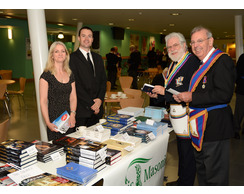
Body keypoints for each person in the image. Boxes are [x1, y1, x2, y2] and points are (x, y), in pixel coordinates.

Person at [174, 26, 236, 186]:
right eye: (193, 42)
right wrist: (184, 95)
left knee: (215, 177)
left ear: (211, 41)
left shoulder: (222, 61)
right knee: (203, 174)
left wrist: (192, 96)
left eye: (200, 41)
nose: (196, 45)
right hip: (199, 128)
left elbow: (224, 94)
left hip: (215, 128)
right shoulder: (202, 64)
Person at [147, 32, 200, 186]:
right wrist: (157, 94)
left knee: (188, 153)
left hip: (188, 115)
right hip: (176, 116)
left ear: (184, 45)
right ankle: (181, 180)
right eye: (169, 47)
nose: (172, 49)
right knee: (182, 152)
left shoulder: (193, 62)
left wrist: (165, 92)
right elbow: (169, 89)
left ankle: (186, 184)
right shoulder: (172, 64)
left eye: (175, 45)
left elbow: (189, 90)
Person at [69, 26, 107, 128]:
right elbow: (76, 85)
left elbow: (103, 81)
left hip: (97, 110)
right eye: (84, 36)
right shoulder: (72, 58)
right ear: (79, 38)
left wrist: (99, 99)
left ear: (93, 39)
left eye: (89, 36)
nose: (87, 39)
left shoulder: (98, 58)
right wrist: (92, 104)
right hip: (82, 110)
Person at [39, 41, 77, 141]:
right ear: (52, 55)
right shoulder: (46, 76)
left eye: (63, 51)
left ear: (66, 54)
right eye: (56, 51)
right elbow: (43, 102)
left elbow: (73, 97)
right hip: (54, 121)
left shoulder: (70, 74)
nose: (60, 54)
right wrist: (47, 123)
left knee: (69, 149)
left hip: (69, 119)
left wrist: (73, 114)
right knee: (56, 150)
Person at [233, 53, 244, 139]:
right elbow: (236, 74)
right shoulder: (242, 58)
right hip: (242, 90)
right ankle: (235, 130)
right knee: (239, 111)